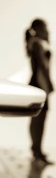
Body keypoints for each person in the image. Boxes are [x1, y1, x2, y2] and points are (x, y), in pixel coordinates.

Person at [26, 19, 53, 164]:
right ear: (38, 28)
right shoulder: (37, 43)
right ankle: (37, 150)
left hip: (38, 83)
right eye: (44, 27)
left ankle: (37, 149)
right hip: (40, 84)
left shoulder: (35, 42)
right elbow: (42, 66)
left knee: (37, 117)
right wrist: (48, 84)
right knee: (39, 118)